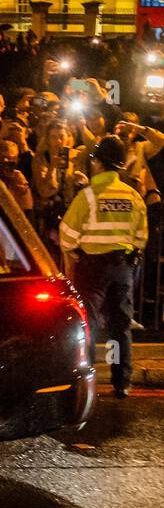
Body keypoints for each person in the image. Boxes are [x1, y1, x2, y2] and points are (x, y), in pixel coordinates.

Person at [59, 135, 147, 398]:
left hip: (93, 269)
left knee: (88, 324)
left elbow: (67, 234)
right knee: (119, 326)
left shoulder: (88, 196)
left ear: (97, 163)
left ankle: (86, 380)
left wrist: (74, 251)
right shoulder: (132, 196)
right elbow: (140, 236)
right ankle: (122, 382)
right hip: (122, 268)